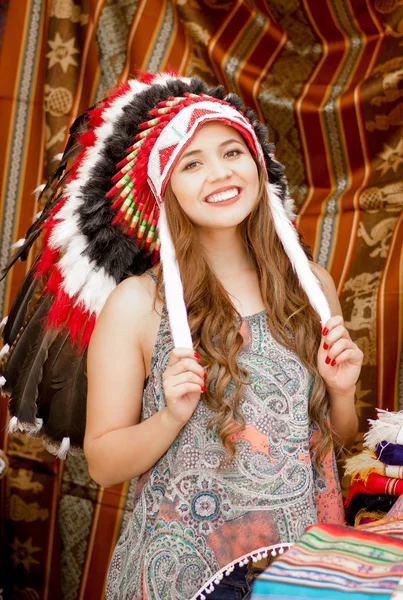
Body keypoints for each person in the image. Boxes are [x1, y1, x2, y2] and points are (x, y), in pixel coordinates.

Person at [0, 73, 362, 600]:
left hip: (303, 572)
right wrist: (171, 414)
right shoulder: (137, 306)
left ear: (257, 165)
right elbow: (103, 464)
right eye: (191, 163)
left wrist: (342, 391)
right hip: (183, 576)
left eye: (232, 151)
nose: (220, 173)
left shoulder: (311, 286)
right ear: (163, 186)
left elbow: (337, 440)